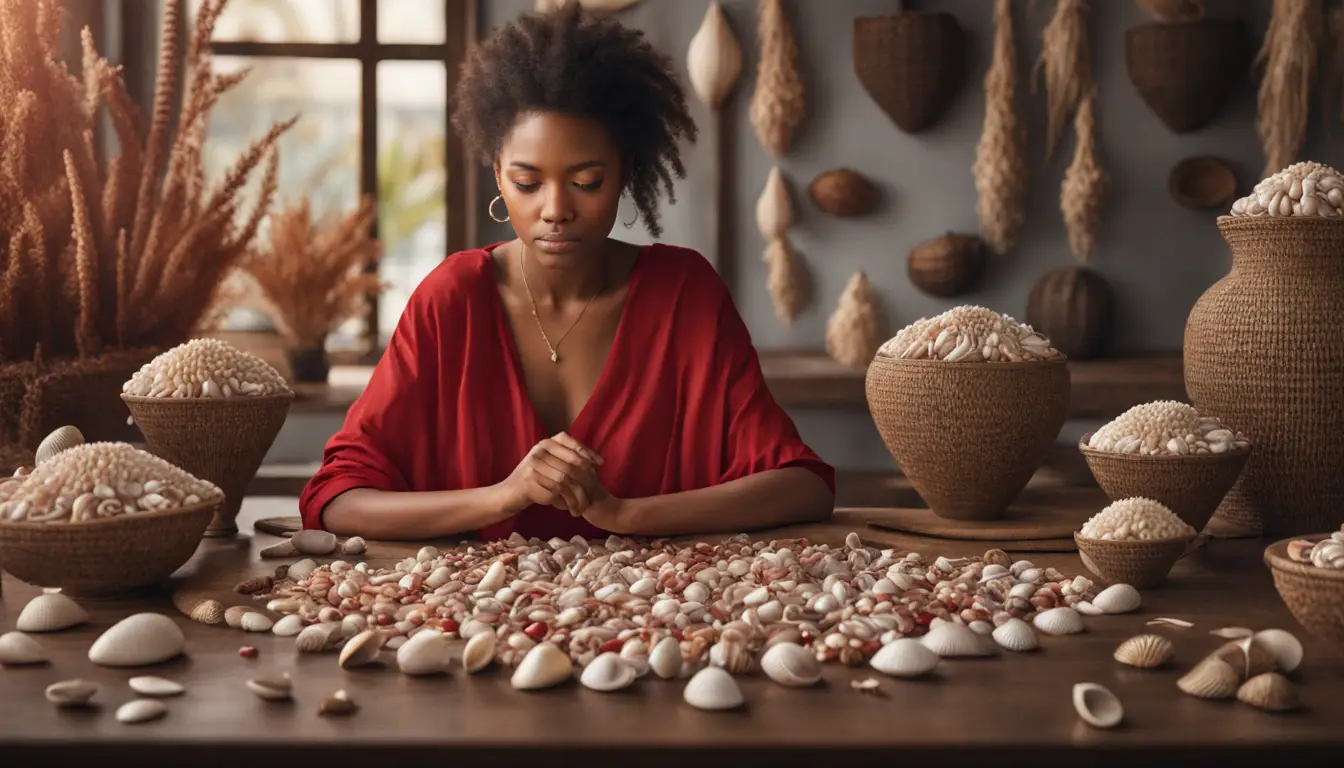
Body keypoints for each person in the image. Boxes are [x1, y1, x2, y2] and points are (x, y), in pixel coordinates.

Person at [298, 3, 835, 541]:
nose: (556, 209)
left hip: (660, 614)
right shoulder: (453, 299)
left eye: (586, 182)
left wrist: (624, 515)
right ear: (499, 178)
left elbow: (801, 486)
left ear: (625, 173)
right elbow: (338, 500)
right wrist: (503, 497)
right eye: (528, 183)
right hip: (469, 617)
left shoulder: (683, 294)